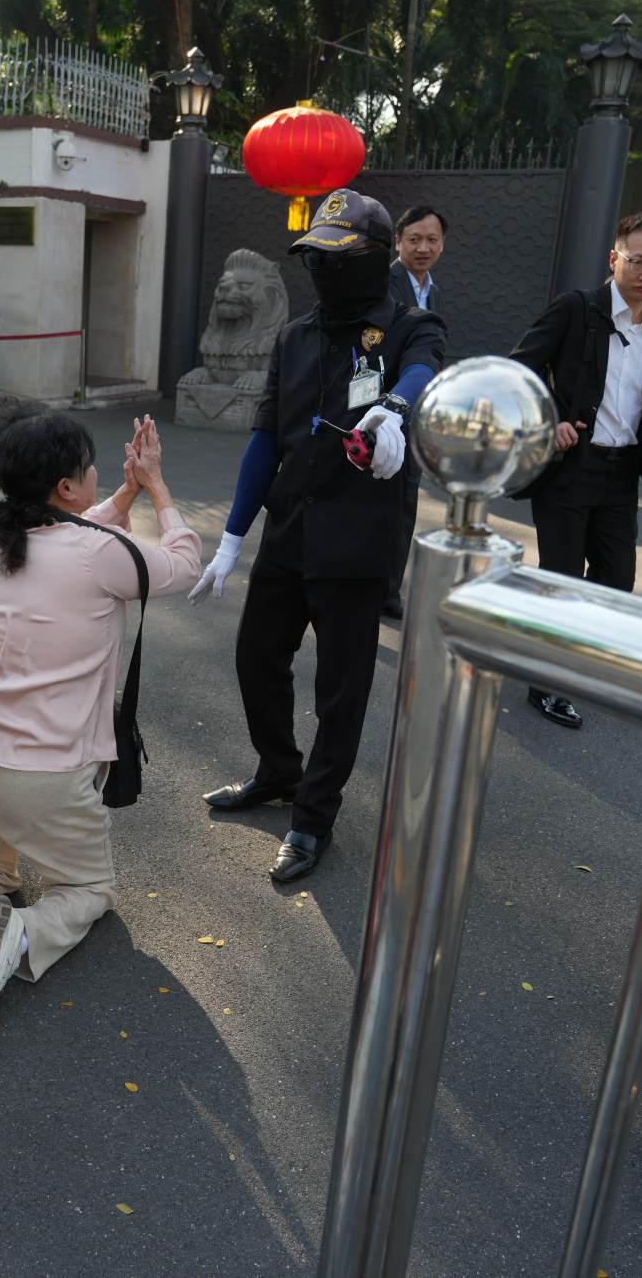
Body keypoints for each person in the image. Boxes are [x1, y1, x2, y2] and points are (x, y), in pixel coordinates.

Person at [0, 411, 199, 1028]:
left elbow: (77, 535)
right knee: (87, 891)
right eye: (87, 469)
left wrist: (123, 492)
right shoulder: (101, 555)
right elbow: (182, 562)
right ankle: (18, 935)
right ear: (67, 489)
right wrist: (155, 487)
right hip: (44, 778)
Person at [192, 188, 446, 884]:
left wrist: (396, 404)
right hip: (289, 527)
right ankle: (278, 771)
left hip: (357, 541)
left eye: (341, 257)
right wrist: (231, 538)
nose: (326, 271)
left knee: (341, 689)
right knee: (256, 657)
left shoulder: (406, 326)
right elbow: (264, 437)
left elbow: (425, 370)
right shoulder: (294, 336)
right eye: (317, 258)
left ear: (373, 257)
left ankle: (314, 815)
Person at [508, 211, 642, 730]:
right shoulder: (576, 310)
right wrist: (552, 420)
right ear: (615, 259)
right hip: (569, 467)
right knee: (561, 577)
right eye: (638, 261)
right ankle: (547, 685)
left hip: (622, 471)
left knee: (614, 580)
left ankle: (572, 659)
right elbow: (520, 369)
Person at [383, 204, 449, 621]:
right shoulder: (383, 284)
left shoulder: (433, 291)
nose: (423, 247)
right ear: (398, 242)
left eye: (432, 240)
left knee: (405, 504)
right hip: (381, 411)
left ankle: (388, 591)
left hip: (415, 420)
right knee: (374, 503)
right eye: (414, 239)